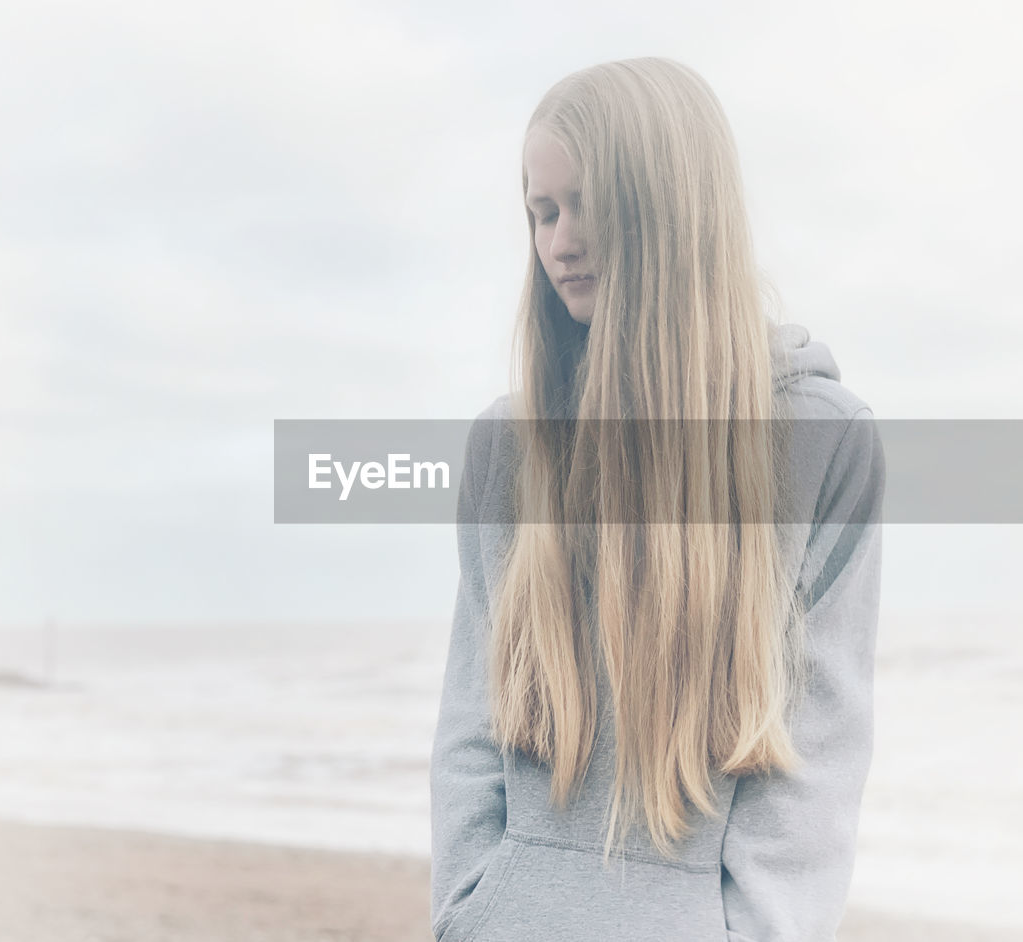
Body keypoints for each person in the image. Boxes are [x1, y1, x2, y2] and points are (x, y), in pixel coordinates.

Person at [429, 57, 886, 941]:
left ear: (673, 208)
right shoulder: (506, 451)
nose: (559, 241)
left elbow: (816, 774)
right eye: (542, 212)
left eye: (587, 203)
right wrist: (468, 914)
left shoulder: (822, 442)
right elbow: (469, 735)